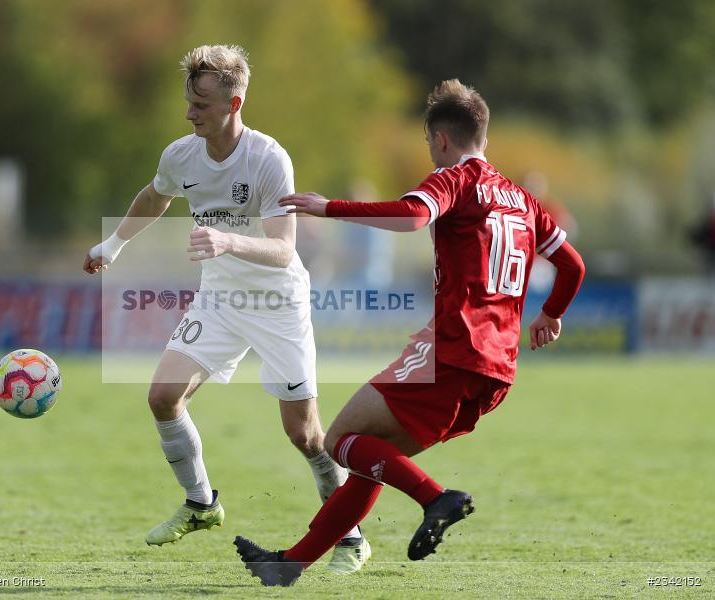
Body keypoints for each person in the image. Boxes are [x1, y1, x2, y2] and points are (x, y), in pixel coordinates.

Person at [233, 79, 586, 586]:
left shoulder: (456, 180)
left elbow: (414, 215)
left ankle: (434, 498)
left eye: (428, 144)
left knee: (340, 439)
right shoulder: (523, 199)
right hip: (497, 370)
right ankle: (289, 565)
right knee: (370, 458)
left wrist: (330, 207)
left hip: (453, 350)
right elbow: (571, 264)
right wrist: (551, 313)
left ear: (441, 139)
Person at [83, 44, 369, 573]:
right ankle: (201, 504)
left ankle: (350, 536)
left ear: (234, 103)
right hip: (219, 300)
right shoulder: (181, 155)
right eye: (189, 102)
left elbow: (285, 248)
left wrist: (226, 241)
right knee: (163, 396)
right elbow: (155, 196)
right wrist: (114, 245)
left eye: (202, 105)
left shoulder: (267, 158)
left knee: (304, 435)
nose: (190, 113)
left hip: (278, 303)